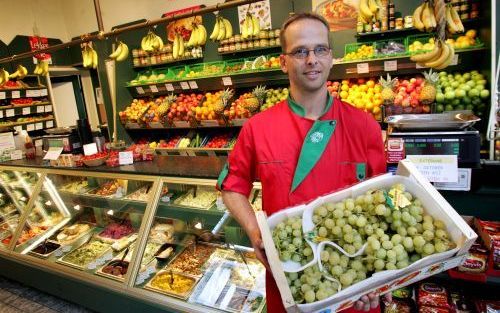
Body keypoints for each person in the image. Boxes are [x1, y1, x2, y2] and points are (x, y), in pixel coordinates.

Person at [217, 12, 387, 312]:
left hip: (353, 287)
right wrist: (256, 233)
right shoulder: (258, 128)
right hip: (289, 281)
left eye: (320, 49)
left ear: (331, 57)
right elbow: (232, 186)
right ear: (284, 62)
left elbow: (383, 201)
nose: (312, 59)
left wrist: (382, 276)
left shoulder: (364, 126)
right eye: (300, 51)